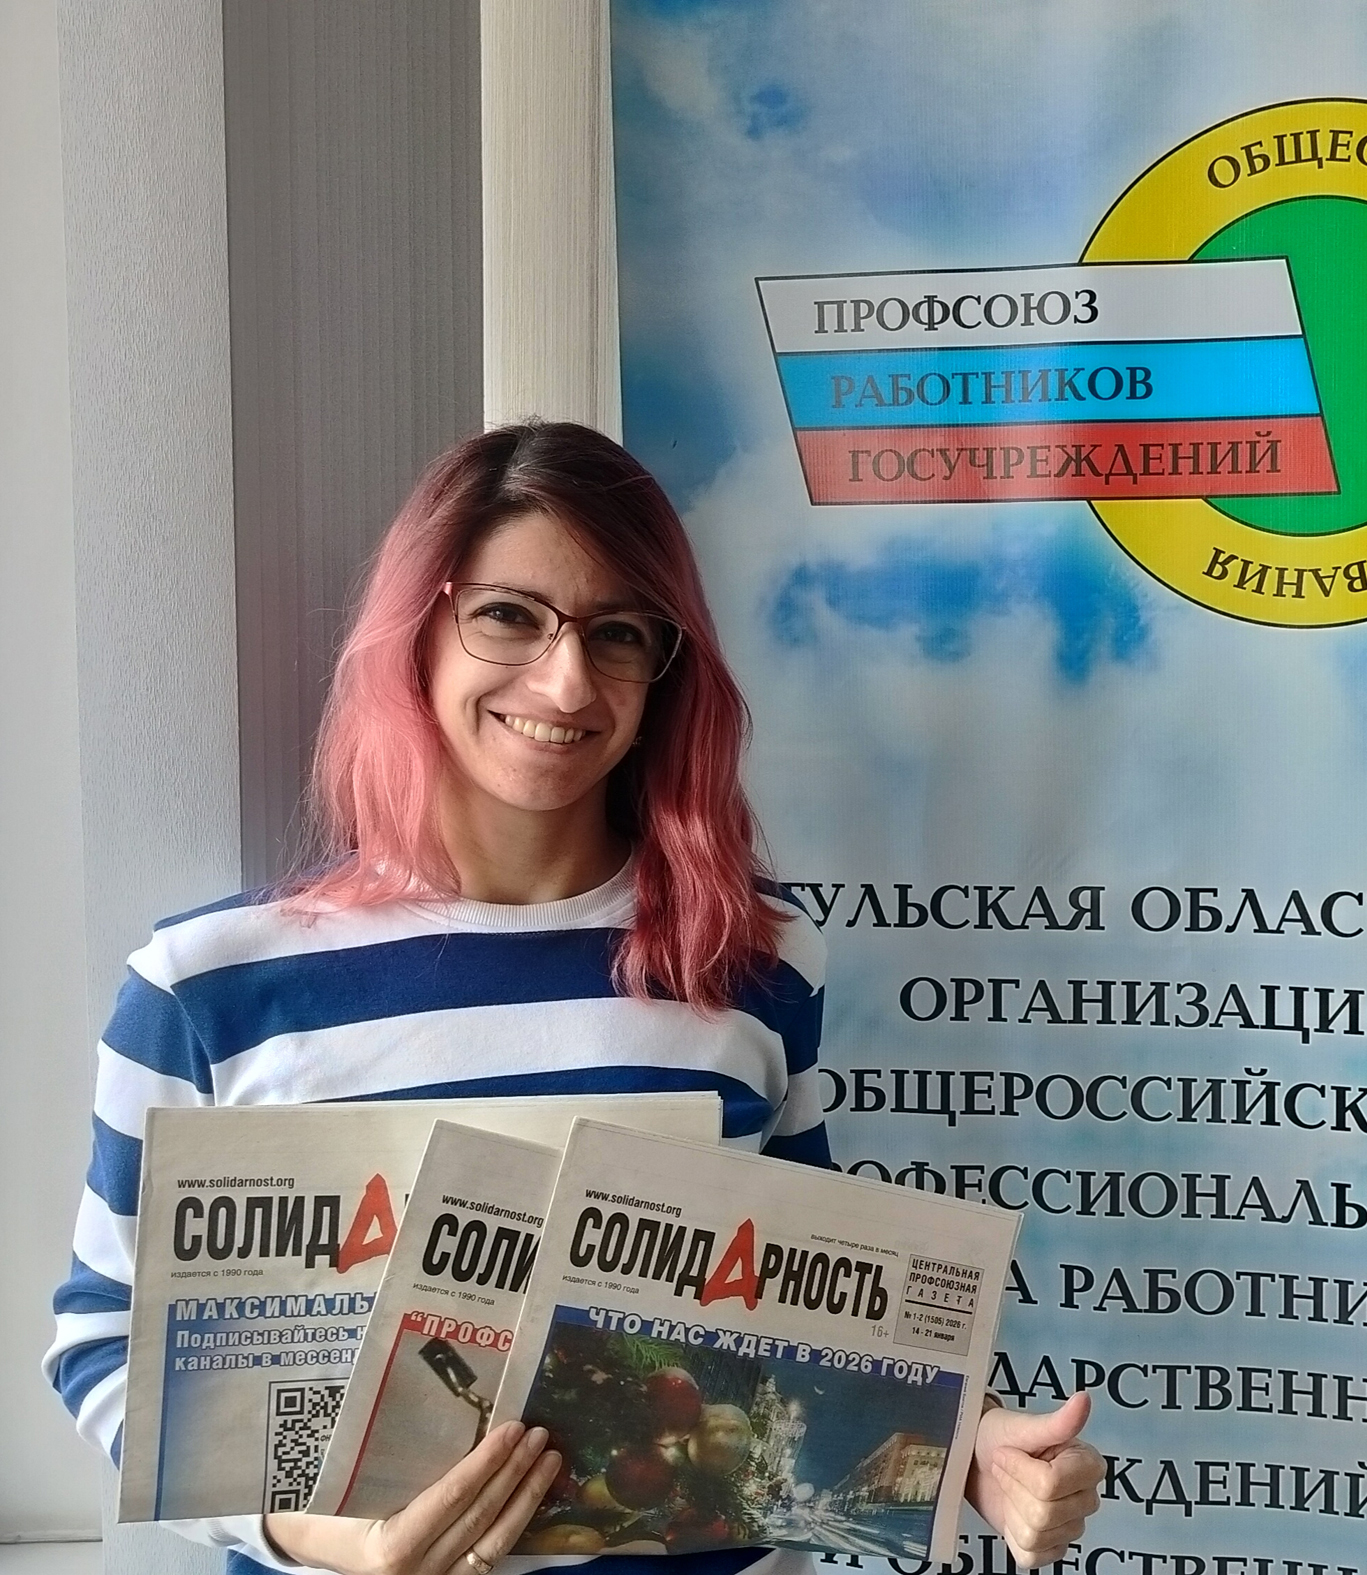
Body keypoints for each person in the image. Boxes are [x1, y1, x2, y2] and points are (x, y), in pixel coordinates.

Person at [46, 422, 1106, 1575]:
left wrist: (962, 1446)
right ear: (417, 627)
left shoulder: (753, 961)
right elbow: (104, 1344)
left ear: (665, 670)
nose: (565, 682)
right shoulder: (208, 987)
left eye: (619, 634)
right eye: (509, 615)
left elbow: (806, 1326)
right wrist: (316, 1532)